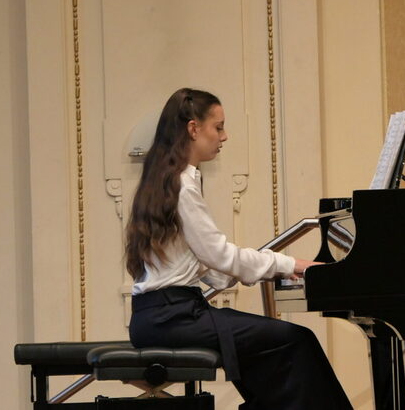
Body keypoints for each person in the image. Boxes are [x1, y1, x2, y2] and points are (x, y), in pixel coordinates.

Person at [125, 88, 353, 410]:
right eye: (218, 127)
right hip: (175, 319)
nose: (225, 135)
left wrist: (241, 273)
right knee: (296, 341)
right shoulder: (182, 184)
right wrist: (292, 265)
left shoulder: (165, 178)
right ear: (193, 129)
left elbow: (202, 262)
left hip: (158, 317)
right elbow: (219, 255)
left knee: (275, 348)